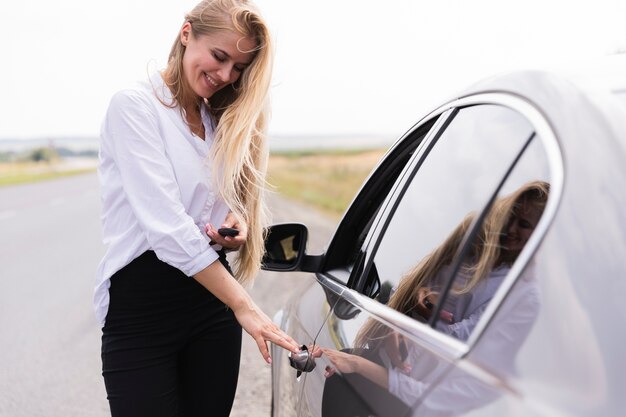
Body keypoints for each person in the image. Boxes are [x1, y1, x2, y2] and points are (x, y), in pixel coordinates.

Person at [95, 1, 300, 416]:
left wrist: (236, 221)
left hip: (210, 308)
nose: (225, 76)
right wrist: (245, 305)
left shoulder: (216, 120)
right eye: (220, 57)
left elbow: (216, 205)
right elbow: (168, 229)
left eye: (239, 68)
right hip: (142, 308)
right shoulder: (134, 107)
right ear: (187, 34)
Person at [320, 180, 549, 416]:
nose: (511, 229)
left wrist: (410, 329)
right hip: (386, 373)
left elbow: (463, 343)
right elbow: (411, 285)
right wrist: (414, 301)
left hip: (405, 394)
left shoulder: (523, 294)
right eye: (511, 215)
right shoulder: (478, 253)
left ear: (542, 233)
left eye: (524, 224)